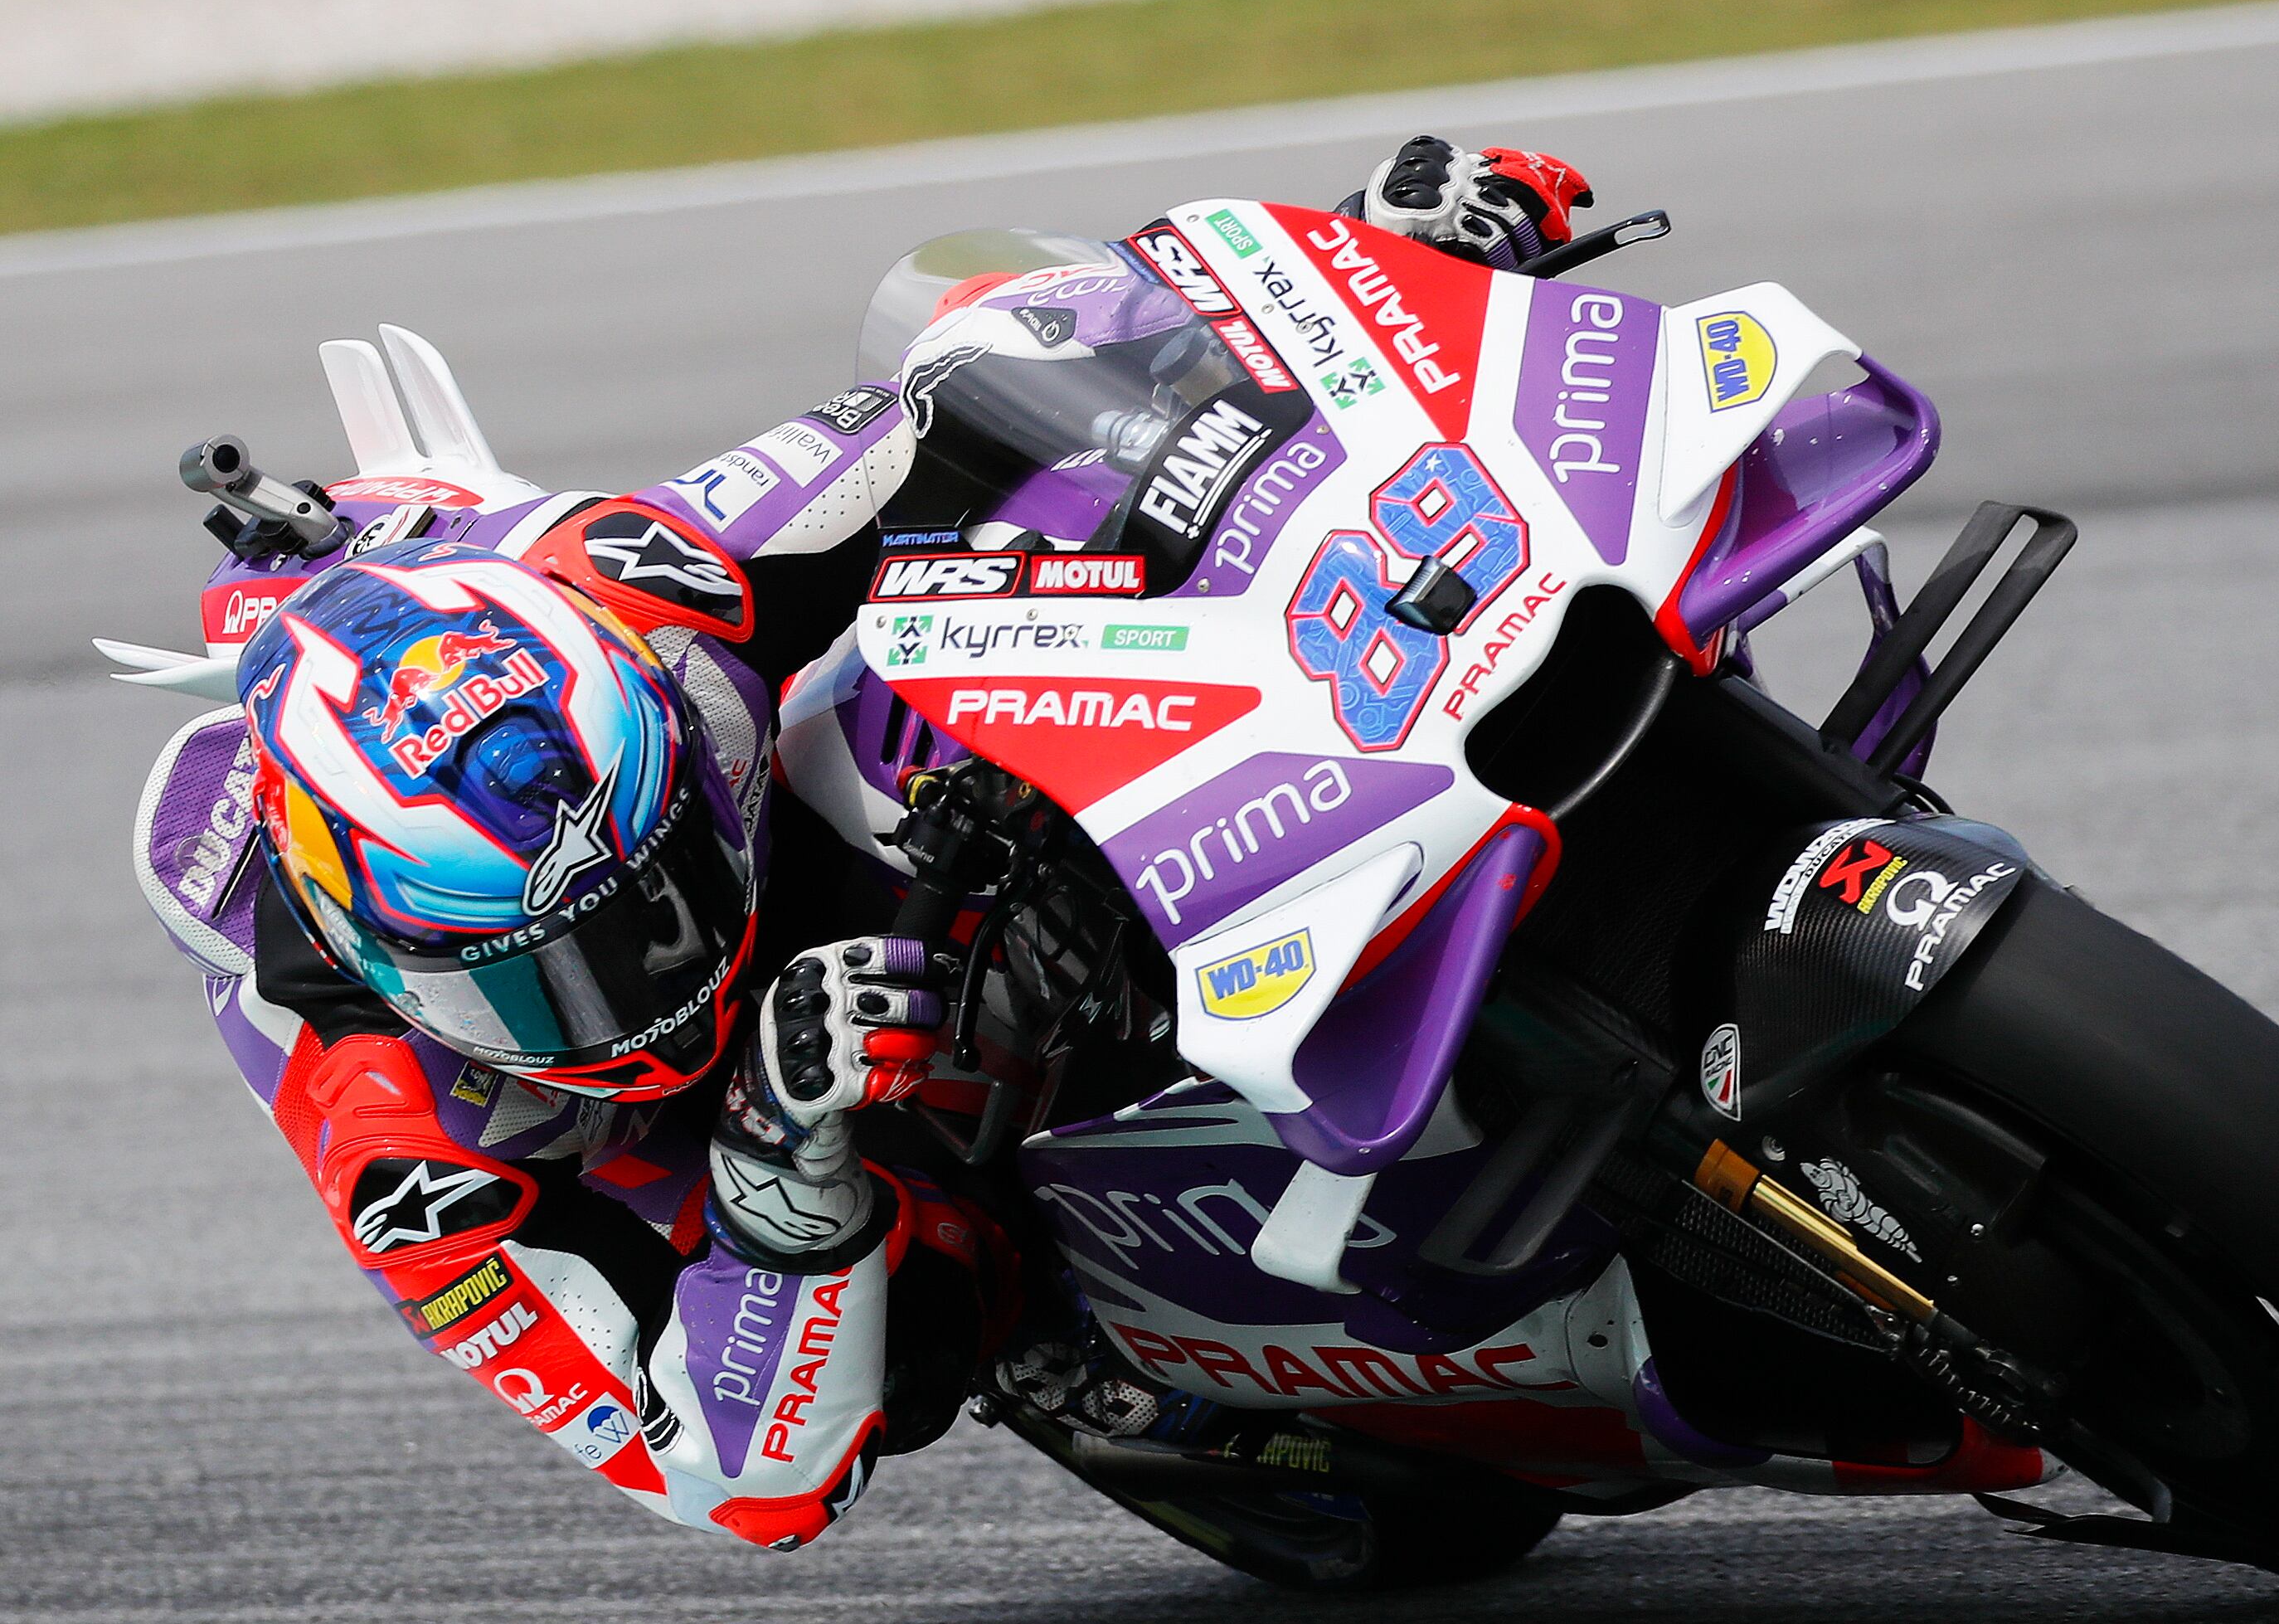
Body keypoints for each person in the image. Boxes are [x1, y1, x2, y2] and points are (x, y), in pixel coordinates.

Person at [128, 141, 1593, 1549]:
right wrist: (775, 1152)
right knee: (911, 1332)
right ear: (380, 946)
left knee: (1022, 550)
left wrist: (1367, 264)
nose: (652, 984)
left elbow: (990, 370)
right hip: (713, 1153)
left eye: (657, 905)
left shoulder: (649, 582)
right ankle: (1094, 1335)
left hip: (768, 813)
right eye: (549, 980)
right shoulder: (393, 1136)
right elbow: (721, 1476)